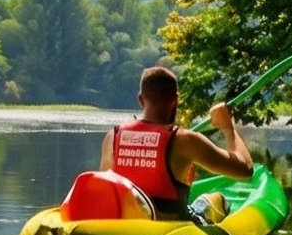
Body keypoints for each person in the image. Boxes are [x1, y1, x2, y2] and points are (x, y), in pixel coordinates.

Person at [100, 65, 253, 219]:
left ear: (141, 100)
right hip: (172, 229)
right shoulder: (185, 140)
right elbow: (245, 169)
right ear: (176, 99)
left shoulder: (112, 137)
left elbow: (105, 190)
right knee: (217, 199)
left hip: (125, 225)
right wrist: (228, 126)